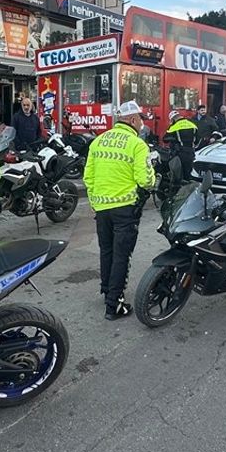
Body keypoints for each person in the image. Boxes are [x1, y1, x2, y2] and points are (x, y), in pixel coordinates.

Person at [83, 100, 154, 320]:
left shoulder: (99, 141)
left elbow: (88, 177)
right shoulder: (137, 144)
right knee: (122, 256)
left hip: (102, 209)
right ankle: (114, 305)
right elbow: (145, 180)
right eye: (141, 118)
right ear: (133, 120)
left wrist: (96, 203)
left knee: (107, 251)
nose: (142, 123)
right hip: (125, 209)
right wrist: (154, 179)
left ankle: (107, 290)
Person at [163, 110, 198, 190]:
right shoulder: (192, 124)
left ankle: (178, 193)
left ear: (173, 119)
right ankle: (188, 192)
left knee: (178, 175)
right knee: (188, 174)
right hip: (191, 153)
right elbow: (198, 139)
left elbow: (165, 139)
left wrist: (174, 140)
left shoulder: (174, 126)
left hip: (180, 154)